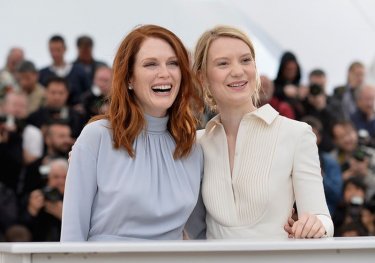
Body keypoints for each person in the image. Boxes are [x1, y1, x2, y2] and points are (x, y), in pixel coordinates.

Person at [60, 24, 203, 241]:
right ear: (129, 78)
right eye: (150, 64)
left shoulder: (191, 146)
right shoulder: (97, 137)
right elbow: (72, 233)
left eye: (173, 63)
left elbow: (200, 235)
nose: (164, 73)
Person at [192, 25, 334, 239]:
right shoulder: (197, 143)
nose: (238, 71)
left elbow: (322, 219)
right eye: (223, 63)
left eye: (246, 60)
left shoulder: (296, 134)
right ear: (203, 77)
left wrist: (315, 225)